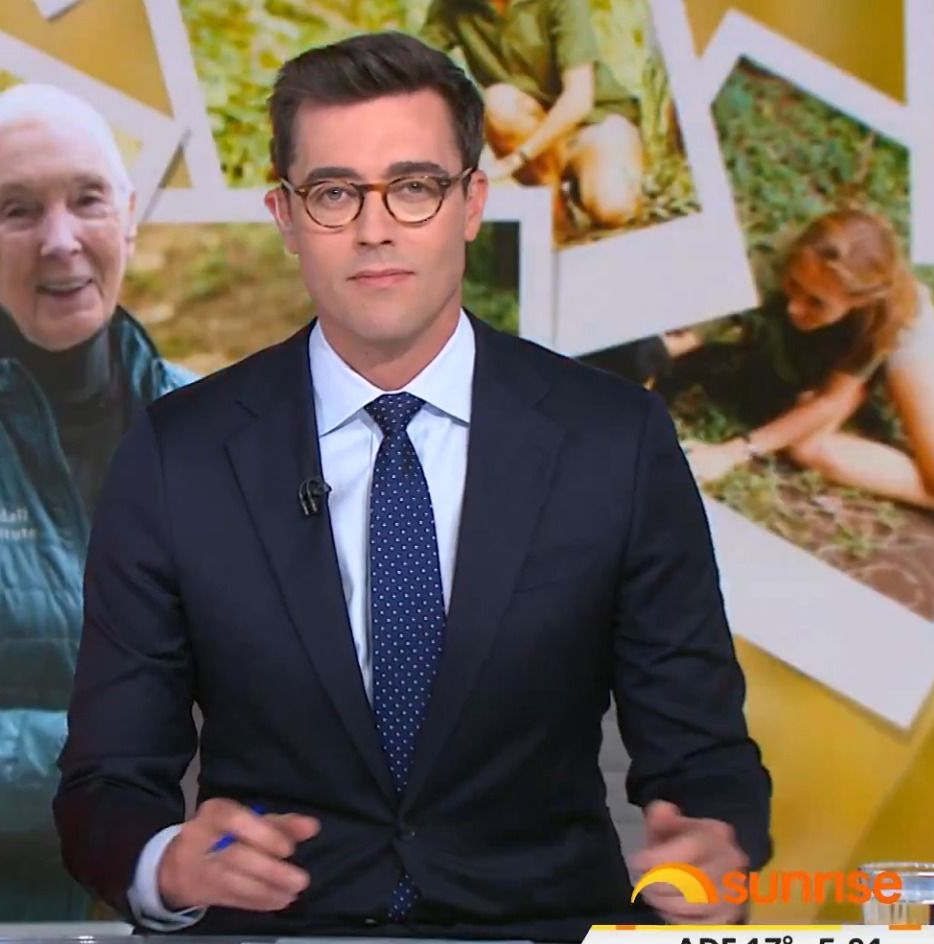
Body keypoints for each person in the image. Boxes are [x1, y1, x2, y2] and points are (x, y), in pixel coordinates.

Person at [54, 31, 771, 941]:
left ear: (472, 202)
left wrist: (709, 847)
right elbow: (105, 785)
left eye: (415, 186)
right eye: (334, 193)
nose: (375, 227)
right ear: (284, 217)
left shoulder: (613, 442)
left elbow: (705, 759)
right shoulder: (178, 454)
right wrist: (166, 862)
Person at [0, 82, 193, 922]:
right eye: (19, 210)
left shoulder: (221, 434)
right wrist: (123, 762)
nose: (61, 241)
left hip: (188, 908)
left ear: (128, 216)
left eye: (87, 199)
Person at [684, 209, 934, 524]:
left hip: (889, 331)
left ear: (859, 302)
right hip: (838, 345)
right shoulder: (775, 262)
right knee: (805, 446)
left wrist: (732, 452)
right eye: (793, 285)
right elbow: (688, 333)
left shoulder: (883, 313)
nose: (794, 307)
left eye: (815, 302)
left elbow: (830, 399)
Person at [418, 0, 645, 230]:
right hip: (530, 125)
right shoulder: (452, 7)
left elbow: (579, 99)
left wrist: (518, 158)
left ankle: (587, 184)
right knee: (500, 102)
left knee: (613, 205)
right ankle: (554, 205)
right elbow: (411, 65)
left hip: (596, 122)